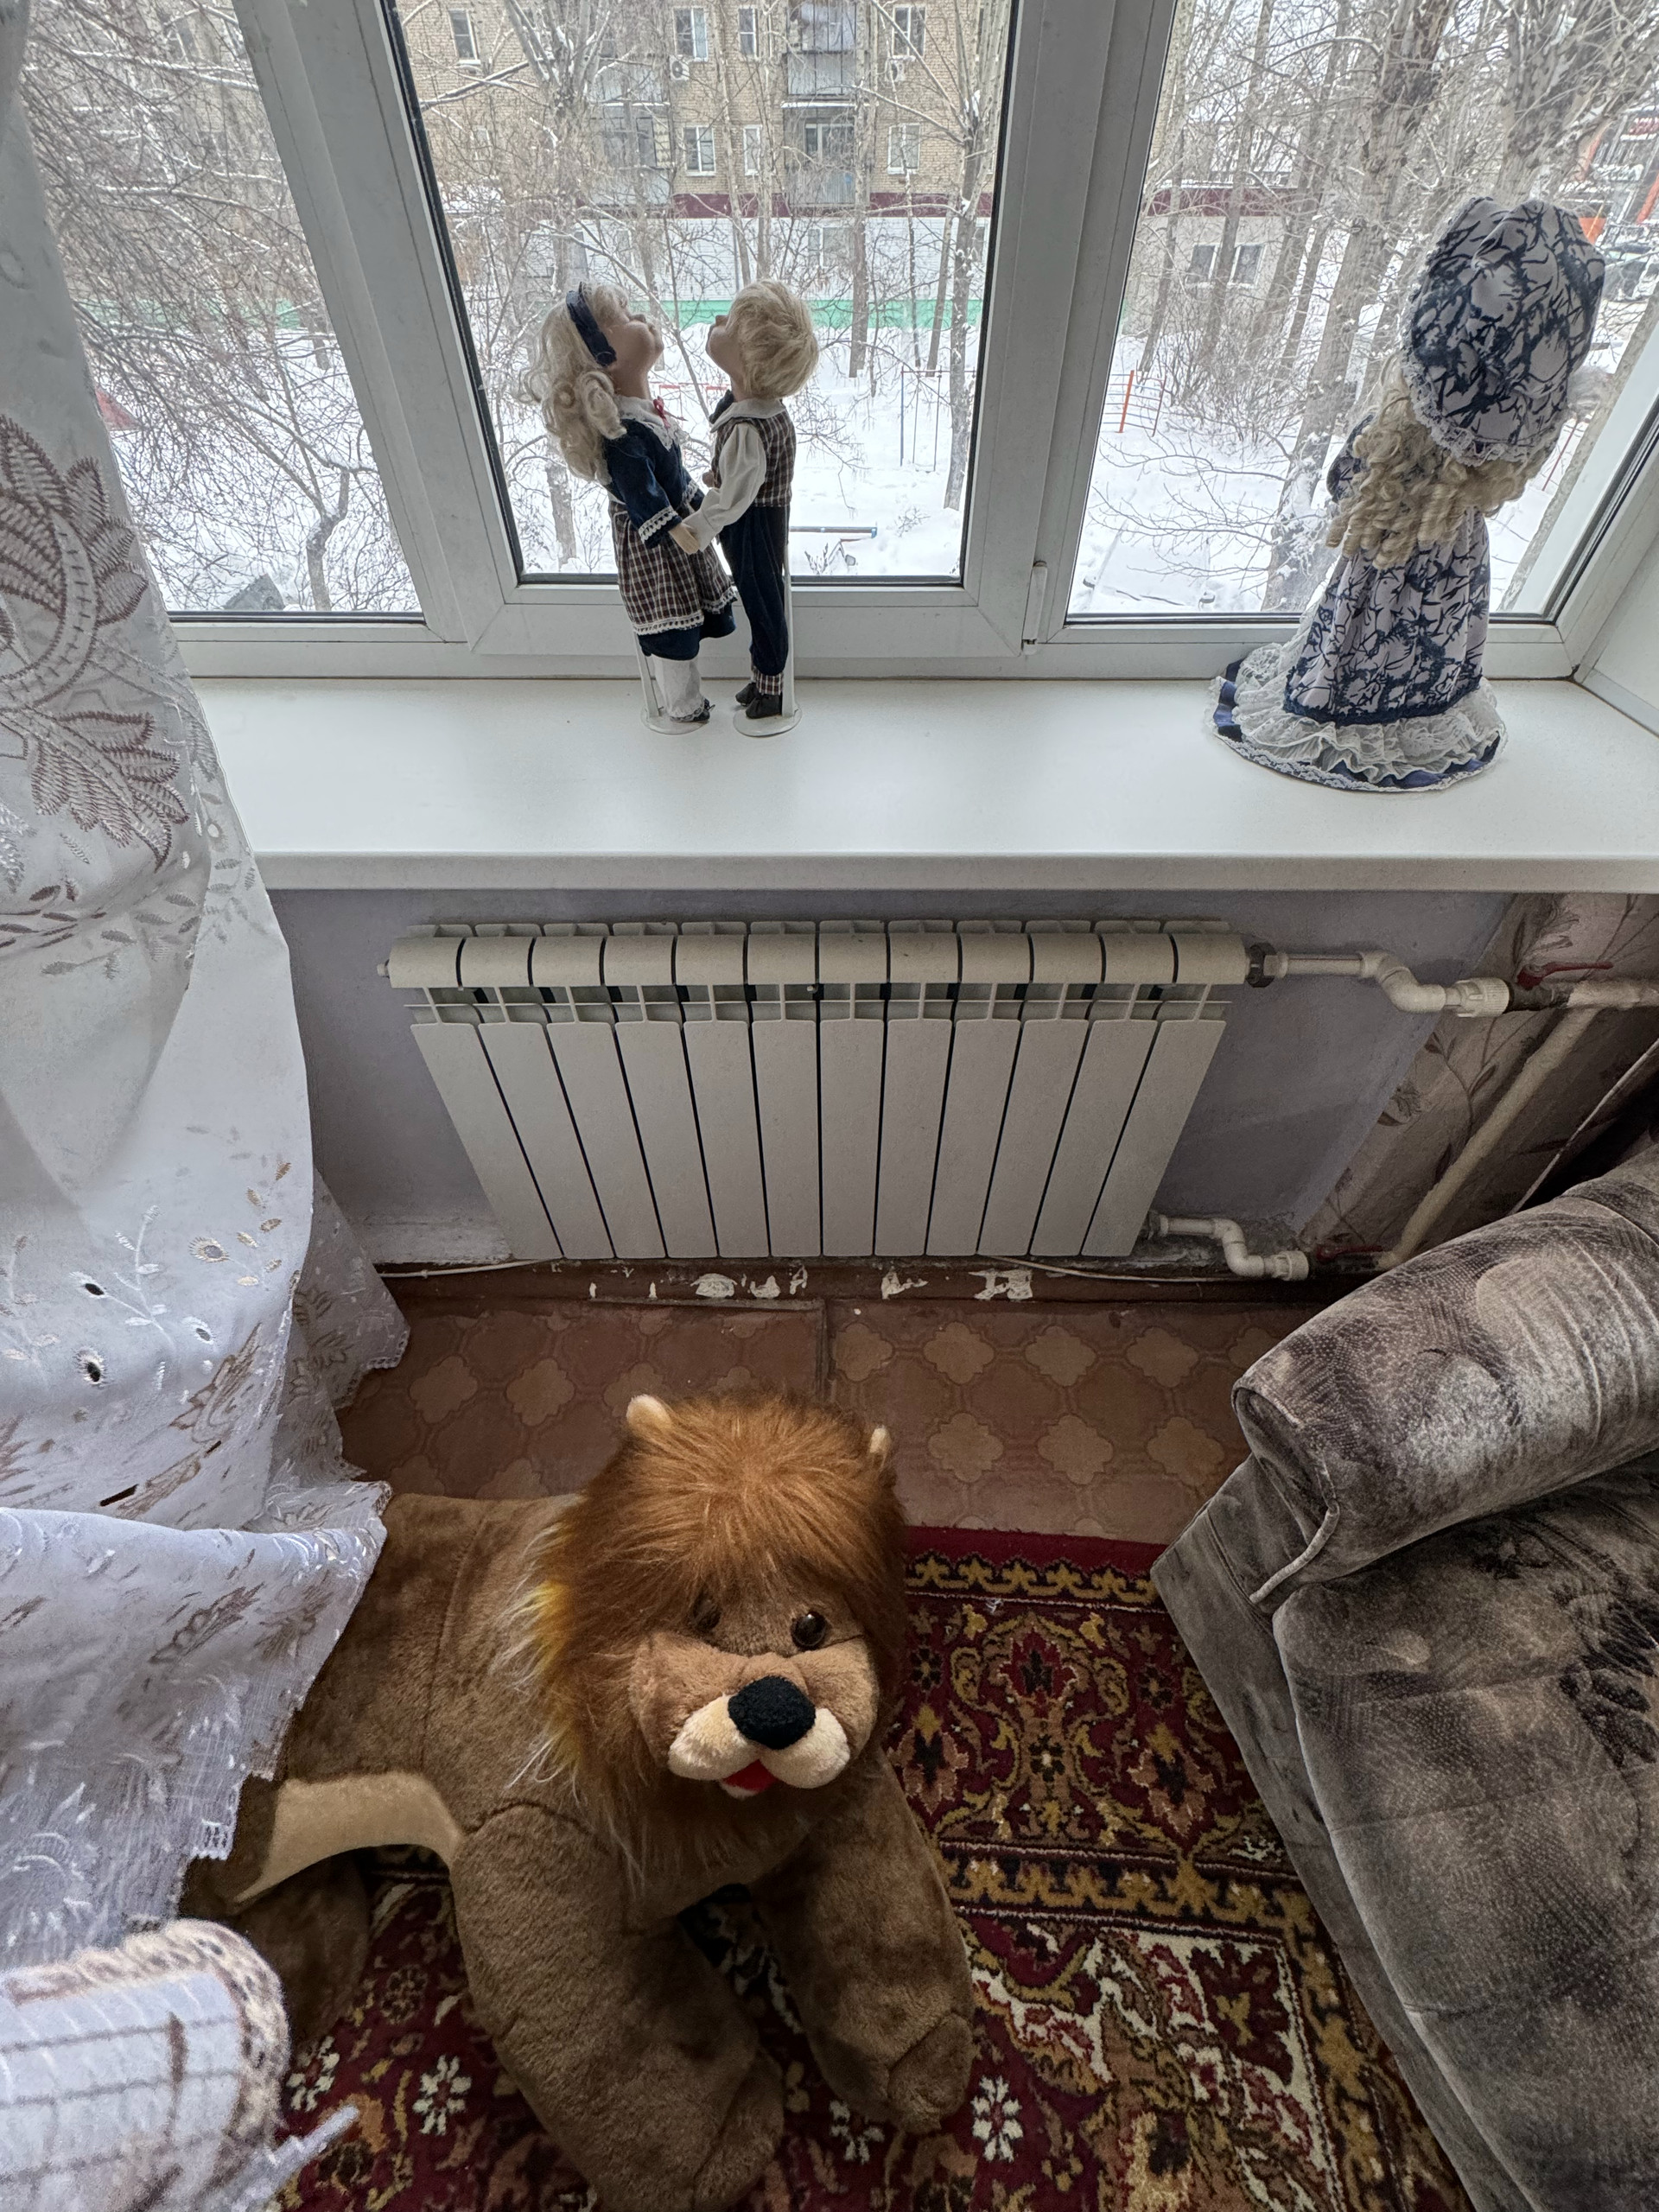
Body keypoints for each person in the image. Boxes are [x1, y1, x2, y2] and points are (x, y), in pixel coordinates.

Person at [1215, 197, 1604, 791]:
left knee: (1366, 638)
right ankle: (1420, 707)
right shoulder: (1464, 509)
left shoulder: (1391, 482)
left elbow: (1343, 483)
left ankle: (1350, 710)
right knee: (1436, 635)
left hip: (1386, 572)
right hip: (1449, 567)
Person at [527, 282, 734, 725]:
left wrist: (703, 504)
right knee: (671, 624)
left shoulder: (645, 415)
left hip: (678, 534)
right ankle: (681, 703)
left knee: (687, 616)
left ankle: (685, 697)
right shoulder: (623, 434)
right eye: (625, 318)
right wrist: (676, 527)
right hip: (655, 548)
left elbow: (673, 477)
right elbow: (641, 492)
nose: (641, 319)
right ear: (603, 355)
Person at [670, 281, 819, 730]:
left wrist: (697, 530)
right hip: (757, 516)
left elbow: (734, 498)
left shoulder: (749, 426)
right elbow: (742, 475)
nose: (718, 322)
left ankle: (773, 687)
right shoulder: (754, 412)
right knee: (761, 601)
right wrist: (723, 475)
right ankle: (763, 679)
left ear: (749, 361)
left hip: (752, 525)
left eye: (729, 324)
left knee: (762, 603)